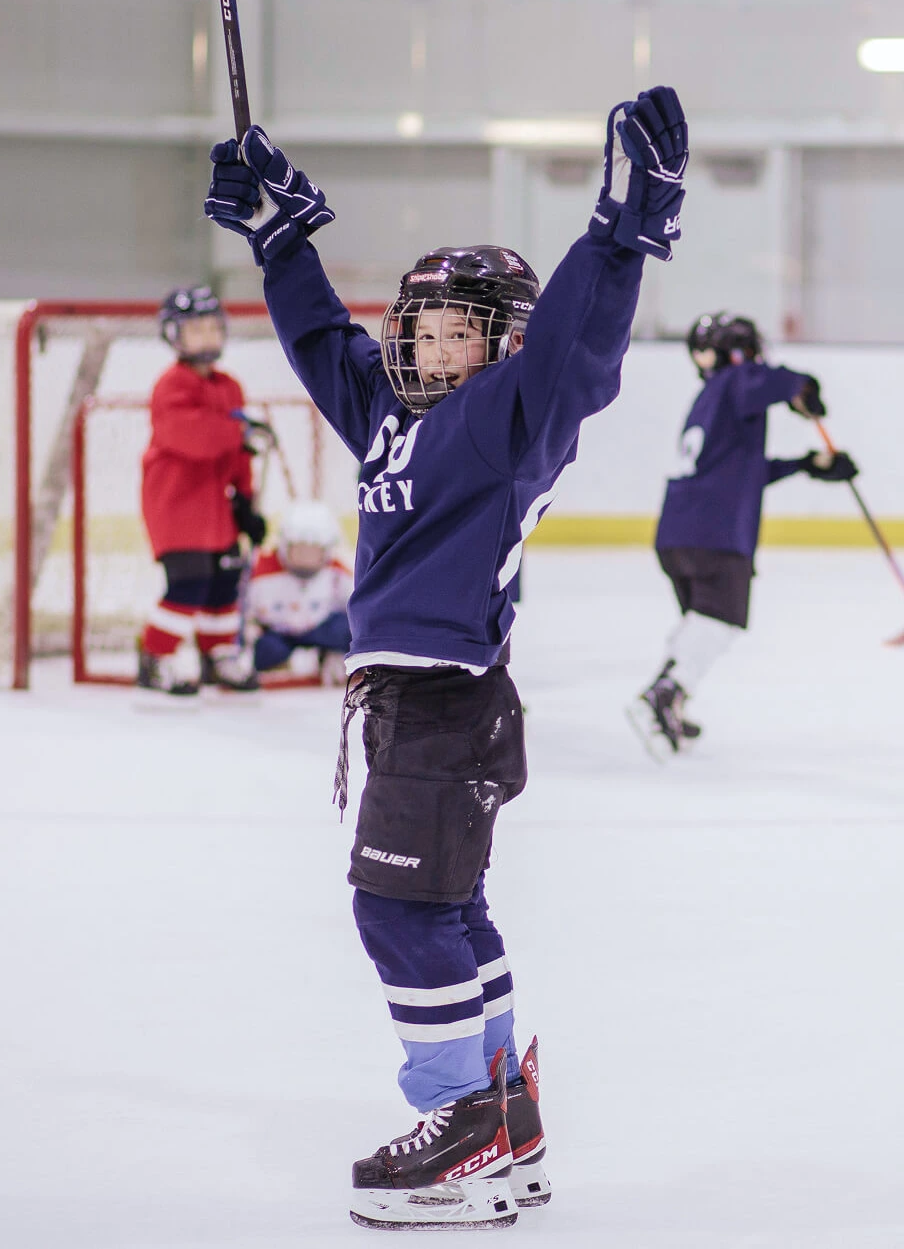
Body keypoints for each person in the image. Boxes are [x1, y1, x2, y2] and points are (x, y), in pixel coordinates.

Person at [202, 88, 688, 1229]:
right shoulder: (388, 416)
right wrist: (283, 240)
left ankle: (457, 1126)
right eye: (418, 323)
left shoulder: (513, 417)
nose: (425, 340)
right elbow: (323, 339)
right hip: (415, 711)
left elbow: (580, 345)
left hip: (449, 704)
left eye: (455, 324)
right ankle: (503, 1122)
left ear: (504, 340)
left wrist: (618, 231)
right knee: (450, 912)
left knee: (396, 913)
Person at [629, 311, 859, 758]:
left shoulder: (710, 397)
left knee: (701, 622)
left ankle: (671, 698)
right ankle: (663, 693)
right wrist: (803, 388)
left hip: (681, 532)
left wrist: (808, 464)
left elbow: (742, 471)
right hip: (715, 534)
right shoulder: (739, 382)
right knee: (720, 621)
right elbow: (777, 381)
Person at [137, 284, 267, 696]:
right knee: (190, 583)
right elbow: (191, 438)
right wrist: (238, 431)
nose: (208, 337)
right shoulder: (171, 385)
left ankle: (219, 656)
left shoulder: (230, 387)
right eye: (197, 329)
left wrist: (244, 500)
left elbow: (237, 454)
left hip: (217, 509)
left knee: (224, 581)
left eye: (214, 328)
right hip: (176, 505)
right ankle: (155, 657)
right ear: (174, 336)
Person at [246, 499, 353, 686]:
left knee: (347, 629)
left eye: (314, 551)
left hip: (320, 630)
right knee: (267, 649)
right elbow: (246, 616)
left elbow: (357, 607)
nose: (307, 559)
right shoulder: (260, 573)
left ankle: (331, 658)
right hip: (279, 634)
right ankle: (281, 664)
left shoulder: (336, 572)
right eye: (300, 551)